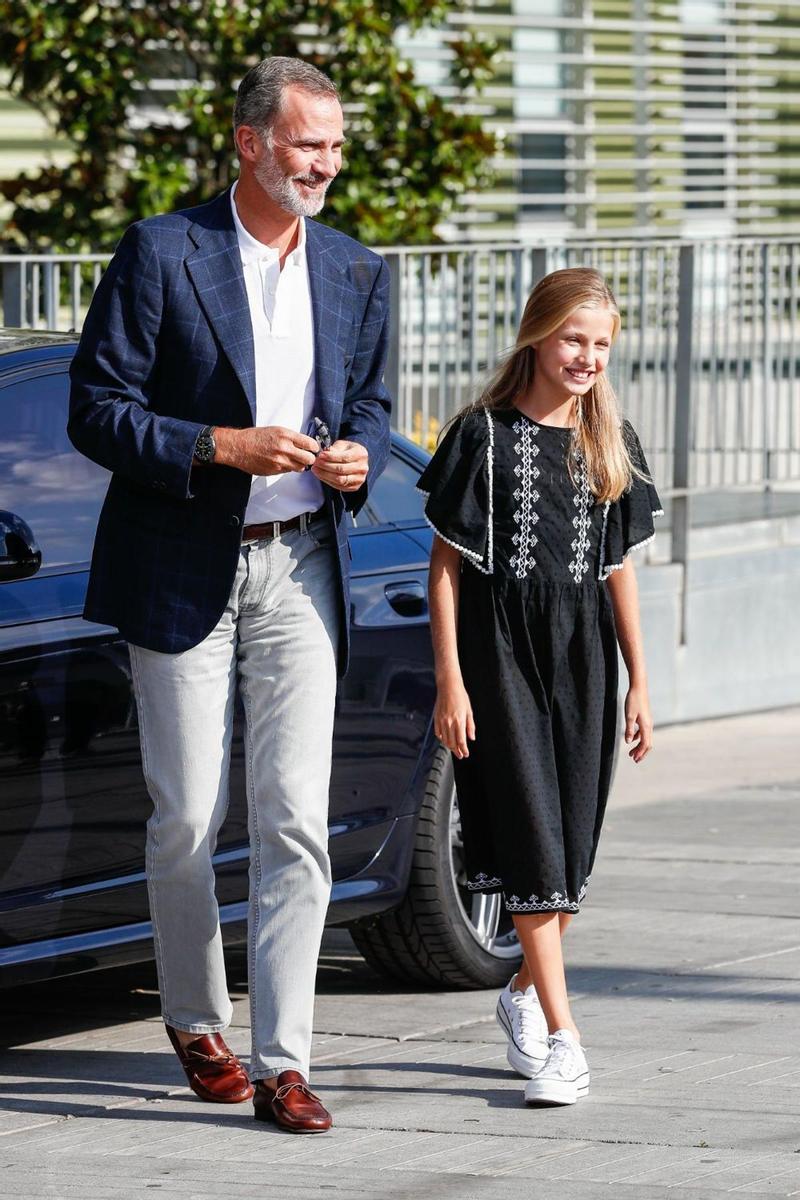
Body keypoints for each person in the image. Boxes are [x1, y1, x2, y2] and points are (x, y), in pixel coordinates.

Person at [67, 57, 391, 1134]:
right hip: (182, 567)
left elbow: (375, 405)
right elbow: (96, 410)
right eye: (309, 145)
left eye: (335, 147)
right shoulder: (165, 251)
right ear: (249, 143)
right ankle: (198, 1020)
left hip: (302, 565)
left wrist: (356, 458)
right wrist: (219, 445)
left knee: (297, 819)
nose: (326, 164)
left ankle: (285, 1060)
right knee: (186, 819)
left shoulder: (355, 270)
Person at [419, 267, 662, 1107]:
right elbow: (446, 569)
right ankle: (564, 1037)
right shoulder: (478, 438)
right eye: (573, 339)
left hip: (585, 656)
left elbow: (618, 568)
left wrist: (639, 680)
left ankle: (523, 989)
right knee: (531, 837)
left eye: (601, 344)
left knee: (571, 853)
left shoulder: (612, 442)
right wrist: (450, 680)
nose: (587, 357)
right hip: (499, 655)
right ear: (535, 333)